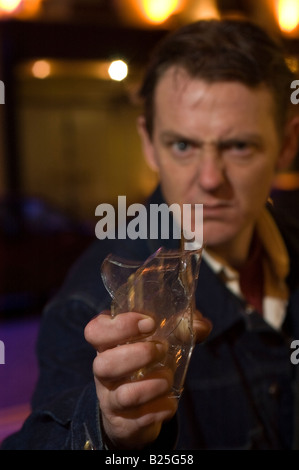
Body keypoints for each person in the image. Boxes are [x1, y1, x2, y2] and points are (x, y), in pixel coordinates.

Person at [2, 17, 299, 451]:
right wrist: (108, 427)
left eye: (238, 146)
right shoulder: (92, 302)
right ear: (148, 142)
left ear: (287, 145)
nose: (211, 179)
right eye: (183, 145)